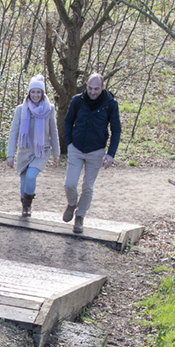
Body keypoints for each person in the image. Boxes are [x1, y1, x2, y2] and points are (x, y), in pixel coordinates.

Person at [63, 72, 122, 234]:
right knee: (70, 184)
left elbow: (116, 130)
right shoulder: (77, 101)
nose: (93, 92)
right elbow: (68, 121)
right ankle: (71, 204)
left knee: (87, 187)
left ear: (103, 87)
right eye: (90, 88)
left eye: (96, 88)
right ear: (86, 86)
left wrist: (111, 153)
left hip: (96, 150)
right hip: (76, 147)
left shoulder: (110, 104)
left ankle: (80, 217)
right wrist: (69, 142)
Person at [6, 74, 60, 217]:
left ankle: (27, 206)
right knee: (23, 181)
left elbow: (53, 132)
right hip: (25, 150)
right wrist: (10, 155)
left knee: (31, 176)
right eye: (33, 92)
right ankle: (25, 206)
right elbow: (14, 133)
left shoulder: (49, 109)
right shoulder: (21, 110)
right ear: (29, 93)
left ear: (43, 93)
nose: (35, 95)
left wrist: (56, 153)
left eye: (38, 92)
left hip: (42, 150)